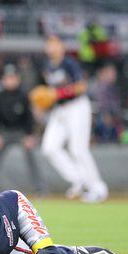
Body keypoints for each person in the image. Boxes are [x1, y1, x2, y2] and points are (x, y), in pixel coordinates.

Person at [39, 36, 108, 203]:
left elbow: (81, 86)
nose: (52, 48)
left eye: (55, 44)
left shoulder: (69, 63)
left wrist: (57, 93)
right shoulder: (47, 66)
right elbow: (49, 93)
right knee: (49, 148)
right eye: (49, 45)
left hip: (77, 106)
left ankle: (98, 188)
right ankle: (78, 179)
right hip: (60, 110)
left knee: (78, 149)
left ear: (62, 47)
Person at [0, 65, 45, 194]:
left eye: (12, 78)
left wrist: (29, 135)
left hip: (21, 132)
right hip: (4, 131)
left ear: (17, 79)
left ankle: (40, 188)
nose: (10, 81)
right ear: (3, 80)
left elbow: (29, 118)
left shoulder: (23, 96)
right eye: (7, 78)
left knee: (31, 157)